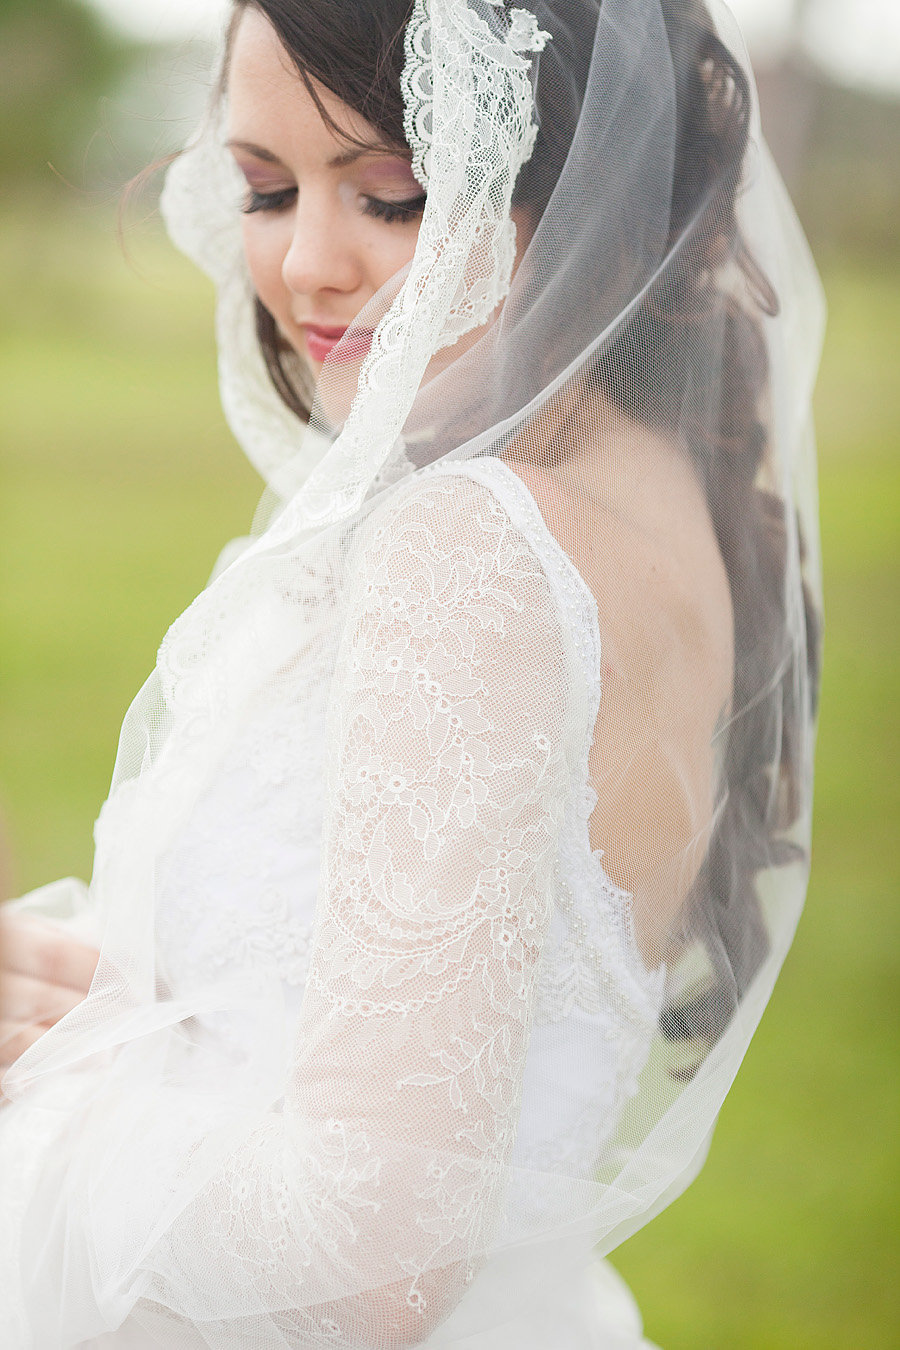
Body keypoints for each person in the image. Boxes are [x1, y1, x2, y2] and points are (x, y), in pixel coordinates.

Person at [0, 1, 824, 1346]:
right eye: (264, 187)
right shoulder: (661, 497)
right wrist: (97, 998)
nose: (309, 262)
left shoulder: (472, 552)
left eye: (395, 194)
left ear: (579, 187)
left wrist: (46, 1089)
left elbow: (363, 1260)